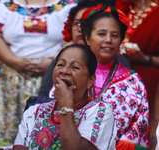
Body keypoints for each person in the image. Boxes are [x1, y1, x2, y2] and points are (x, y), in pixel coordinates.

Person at [48, 4, 149, 149]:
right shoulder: (67, 74)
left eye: (114, 35)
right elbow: (51, 114)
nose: (108, 40)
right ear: (87, 38)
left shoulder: (133, 83)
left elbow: (138, 130)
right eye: (101, 34)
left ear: (120, 40)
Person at [0, 0, 77, 148]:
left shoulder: (68, 5)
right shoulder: (6, 4)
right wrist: (14, 61)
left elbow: (77, 37)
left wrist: (54, 63)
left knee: (48, 132)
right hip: (14, 80)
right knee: (11, 134)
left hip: (53, 79)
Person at [12, 44, 116, 150]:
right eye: (60, 65)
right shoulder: (34, 112)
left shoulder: (100, 112)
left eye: (75, 67)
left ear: (90, 80)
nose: (64, 71)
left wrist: (66, 105)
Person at [39, 0, 131, 97]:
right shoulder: (64, 59)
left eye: (87, 24)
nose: (81, 29)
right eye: (77, 23)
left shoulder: (119, 64)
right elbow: (44, 96)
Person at [116, 0, 159, 148]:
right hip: (117, 81)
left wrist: (144, 59)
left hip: (150, 84)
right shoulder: (122, 8)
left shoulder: (156, 12)